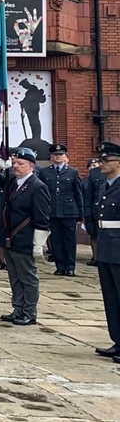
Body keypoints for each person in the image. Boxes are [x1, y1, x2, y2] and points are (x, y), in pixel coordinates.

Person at [0, 149, 51, 326]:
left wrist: (38, 244)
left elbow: (42, 217)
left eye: (21, 163)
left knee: (28, 277)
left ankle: (29, 312)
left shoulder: (37, 186)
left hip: (24, 237)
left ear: (31, 166)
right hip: (9, 237)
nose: (16, 166)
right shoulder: (13, 183)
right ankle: (18, 309)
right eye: (14, 163)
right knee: (14, 277)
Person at [92, 141, 120, 363]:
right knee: (111, 297)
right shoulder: (105, 186)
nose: (101, 164)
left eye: (105, 160)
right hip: (106, 247)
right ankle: (117, 341)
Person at [39, 144, 83, 276]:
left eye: (60, 154)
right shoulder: (44, 172)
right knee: (55, 240)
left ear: (65, 157)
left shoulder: (73, 172)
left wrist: (81, 214)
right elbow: (42, 193)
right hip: (52, 211)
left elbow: (78, 193)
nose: (58, 157)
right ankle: (60, 266)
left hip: (69, 211)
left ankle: (70, 267)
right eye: (55, 154)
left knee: (69, 240)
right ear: (51, 157)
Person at [84, 157, 106, 266]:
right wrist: (87, 213)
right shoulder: (94, 173)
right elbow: (89, 195)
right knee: (94, 235)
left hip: (110, 211)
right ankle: (96, 258)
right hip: (95, 209)